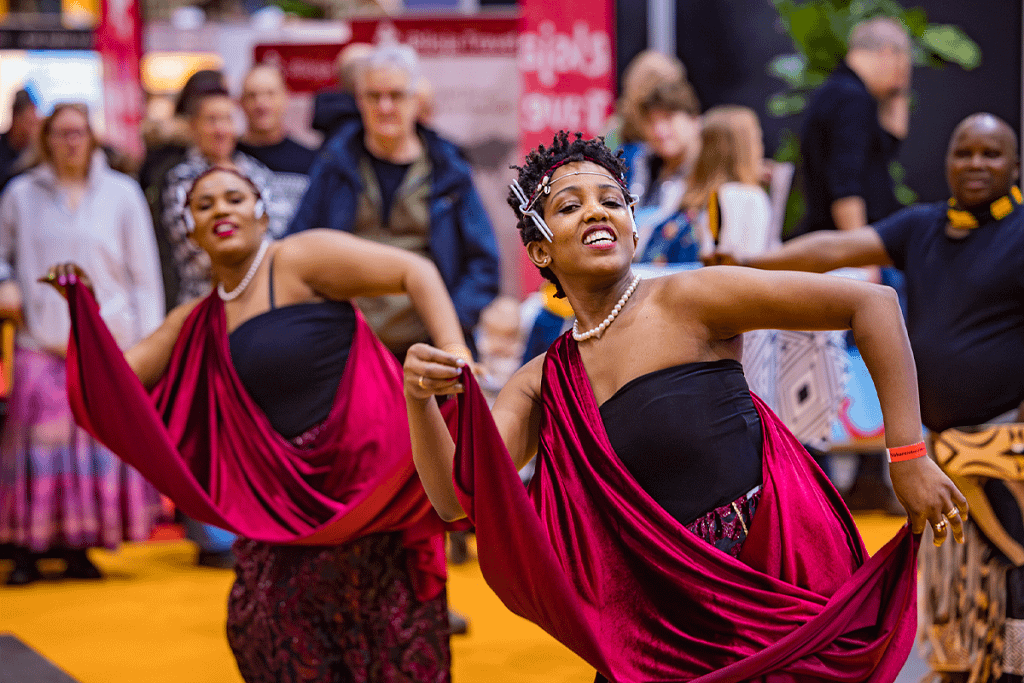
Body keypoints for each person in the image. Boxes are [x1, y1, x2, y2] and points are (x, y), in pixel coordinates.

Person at [403, 132, 968, 682]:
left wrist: (908, 455)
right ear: (540, 249)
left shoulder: (688, 299)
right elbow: (456, 499)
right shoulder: (542, 380)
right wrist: (419, 400)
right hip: (659, 627)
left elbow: (873, 305)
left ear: (631, 224)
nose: (597, 213)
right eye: (570, 205)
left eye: (611, 201)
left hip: (772, 578)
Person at [49, 165, 467, 682]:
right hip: (277, 505)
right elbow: (110, 386)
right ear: (192, 230)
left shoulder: (298, 258)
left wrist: (455, 351)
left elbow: (414, 271)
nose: (221, 209)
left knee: (387, 636)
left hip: (366, 486)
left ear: (260, 210)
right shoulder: (196, 318)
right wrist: (82, 313)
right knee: (267, 634)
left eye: (234, 198)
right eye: (205, 205)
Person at [708, 112, 1024, 683]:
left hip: (1011, 443)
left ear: (1016, 165)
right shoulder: (923, 226)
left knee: (1019, 576)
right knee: (952, 578)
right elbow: (836, 247)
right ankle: (962, 670)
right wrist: (747, 266)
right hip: (941, 447)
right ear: (947, 160)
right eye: (964, 152)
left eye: (991, 154)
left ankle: (1021, 669)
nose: (975, 164)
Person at [0, 103, 164, 586]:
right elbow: (1, 254)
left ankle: (80, 548)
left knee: (95, 447)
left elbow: (144, 275)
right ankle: (29, 547)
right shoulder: (20, 194)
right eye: (62, 133)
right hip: (39, 340)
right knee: (34, 449)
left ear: (93, 138)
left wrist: (149, 346)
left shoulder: (122, 193)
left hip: (106, 344)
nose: (72, 142)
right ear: (46, 139)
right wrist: (6, 283)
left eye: (80, 132)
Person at [288, 43, 500, 360]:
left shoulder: (448, 170)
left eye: (396, 95)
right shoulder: (334, 163)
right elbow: (295, 247)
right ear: (359, 101)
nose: (384, 107)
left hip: (428, 348)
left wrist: (447, 326)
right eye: (374, 96)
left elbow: (484, 264)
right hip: (344, 348)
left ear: (416, 101)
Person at [159, 86, 281, 308]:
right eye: (211, 120)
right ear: (193, 127)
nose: (221, 129)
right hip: (205, 300)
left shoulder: (256, 172)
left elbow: (277, 230)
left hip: (262, 299)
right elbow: (198, 251)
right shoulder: (181, 179)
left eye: (227, 119)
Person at [798, 17, 911, 236]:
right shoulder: (852, 99)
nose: (902, 79)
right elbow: (845, 184)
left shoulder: (838, 91)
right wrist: (863, 261)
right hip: (853, 245)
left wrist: (898, 90)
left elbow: (888, 143)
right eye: (903, 68)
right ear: (887, 53)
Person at [625, 80, 703, 261]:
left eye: (668, 118)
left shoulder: (712, 172)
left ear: (694, 120)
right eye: (651, 122)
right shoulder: (641, 164)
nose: (659, 131)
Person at [236, 64, 316, 211]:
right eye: (252, 95)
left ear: (286, 97)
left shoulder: (311, 161)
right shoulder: (227, 158)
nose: (261, 103)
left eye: (270, 94)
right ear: (240, 102)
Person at [0, 89, 40, 193]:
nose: (33, 130)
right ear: (15, 119)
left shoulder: (38, 153)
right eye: (29, 123)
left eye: (36, 124)